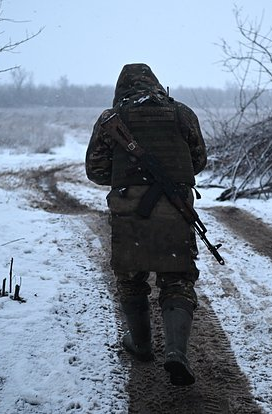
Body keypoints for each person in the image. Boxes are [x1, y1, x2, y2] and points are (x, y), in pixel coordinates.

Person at [85, 63, 207, 386]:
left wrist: (125, 171)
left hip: (129, 214)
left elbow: (95, 171)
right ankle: (175, 352)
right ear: (155, 85)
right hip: (176, 212)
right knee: (178, 280)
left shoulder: (111, 121)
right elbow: (198, 161)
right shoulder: (182, 114)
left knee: (130, 278)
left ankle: (140, 344)